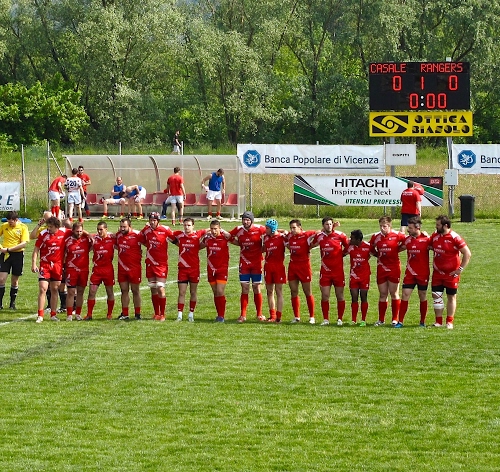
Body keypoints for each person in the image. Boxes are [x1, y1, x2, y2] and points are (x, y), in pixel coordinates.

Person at [429, 215, 471, 329]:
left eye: (438, 225)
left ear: (445, 226)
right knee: (436, 295)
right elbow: (429, 245)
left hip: (451, 274)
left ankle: (449, 322)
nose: (436, 227)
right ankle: (438, 321)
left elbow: (467, 253)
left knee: (451, 296)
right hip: (437, 273)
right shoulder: (435, 235)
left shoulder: (454, 237)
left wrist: (460, 269)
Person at [310, 217, 349, 326]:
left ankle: (340, 319)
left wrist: (342, 254)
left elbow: (348, 246)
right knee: (325, 295)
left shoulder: (340, 235)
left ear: (333, 224)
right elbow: (311, 244)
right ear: (323, 225)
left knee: (340, 295)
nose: (329, 226)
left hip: (338, 271)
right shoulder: (319, 236)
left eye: (330, 224)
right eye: (327, 224)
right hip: (325, 272)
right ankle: (326, 319)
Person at [229, 211, 266, 322]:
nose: (245, 222)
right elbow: (229, 237)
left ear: (252, 221)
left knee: (256, 287)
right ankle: (243, 315)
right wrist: (238, 243)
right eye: (244, 219)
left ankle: (259, 314)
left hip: (257, 263)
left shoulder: (260, 229)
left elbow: (271, 232)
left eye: (248, 220)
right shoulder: (238, 229)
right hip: (244, 263)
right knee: (244, 288)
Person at [394, 216, 431, 328]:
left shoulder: (427, 240)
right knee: (405, 294)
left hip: (423, 273)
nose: (408, 230)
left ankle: (422, 322)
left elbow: (439, 249)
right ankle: (400, 321)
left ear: (417, 227)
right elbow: (397, 249)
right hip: (410, 273)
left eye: (410, 228)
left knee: (422, 295)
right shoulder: (407, 240)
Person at [370, 216, 406, 326]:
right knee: (382, 294)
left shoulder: (397, 235)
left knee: (394, 293)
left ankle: (395, 319)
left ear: (390, 226)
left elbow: (407, 242)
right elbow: (371, 248)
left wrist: (398, 249)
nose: (382, 228)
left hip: (394, 268)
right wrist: (377, 255)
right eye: (380, 226)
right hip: (381, 268)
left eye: (384, 226)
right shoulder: (376, 236)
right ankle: (381, 319)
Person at [32, 216, 69, 322]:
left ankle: (53, 314)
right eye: (48, 226)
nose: (49, 228)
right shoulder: (43, 234)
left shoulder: (64, 232)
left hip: (57, 265)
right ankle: (40, 315)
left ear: (57, 226)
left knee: (54, 289)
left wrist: (88, 235)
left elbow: (77, 230)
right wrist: (34, 264)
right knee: (42, 288)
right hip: (45, 265)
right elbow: (36, 249)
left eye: (51, 227)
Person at [140, 212, 174, 321]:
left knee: (160, 287)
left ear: (158, 221)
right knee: (153, 289)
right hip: (150, 263)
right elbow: (141, 239)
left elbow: (175, 240)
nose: (152, 222)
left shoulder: (165, 230)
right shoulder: (146, 230)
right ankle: (156, 313)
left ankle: (162, 314)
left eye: (154, 220)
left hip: (161, 264)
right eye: (150, 220)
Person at [172, 218, 207, 322]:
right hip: (182, 269)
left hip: (194, 269)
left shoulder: (197, 234)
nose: (187, 227)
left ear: (193, 226)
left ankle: (191, 314)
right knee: (181, 292)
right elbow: (168, 234)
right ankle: (179, 315)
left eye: (189, 225)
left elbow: (209, 230)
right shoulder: (179, 235)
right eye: (185, 225)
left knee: (193, 292)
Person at [285, 219, 317, 324]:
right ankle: (296, 317)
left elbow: (319, 232)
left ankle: (312, 317)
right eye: (291, 228)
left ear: (300, 227)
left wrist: (333, 227)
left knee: (307, 292)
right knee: (293, 291)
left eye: (294, 228)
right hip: (293, 266)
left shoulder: (307, 235)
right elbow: (282, 232)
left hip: (304, 267)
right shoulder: (289, 236)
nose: (292, 230)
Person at [84, 221, 116, 321]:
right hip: (97, 270)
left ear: (106, 229)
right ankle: (89, 314)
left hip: (108, 270)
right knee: (92, 292)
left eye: (101, 229)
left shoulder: (112, 239)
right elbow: (83, 232)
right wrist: (89, 235)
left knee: (110, 292)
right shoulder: (94, 239)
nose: (99, 231)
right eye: (98, 229)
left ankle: (109, 314)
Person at [200, 219, 230, 322]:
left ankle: (222, 316)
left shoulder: (225, 237)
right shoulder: (208, 238)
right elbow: (198, 246)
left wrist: (227, 233)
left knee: (220, 291)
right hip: (211, 269)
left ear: (220, 228)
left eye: (216, 229)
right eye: (212, 229)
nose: (213, 231)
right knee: (216, 292)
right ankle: (219, 314)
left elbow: (236, 240)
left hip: (222, 269)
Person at [115, 217, 144, 320]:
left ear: (130, 226)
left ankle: (137, 314)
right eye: (121, 227)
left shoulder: (137, 235)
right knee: (124, 290)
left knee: (135, 290)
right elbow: (115, 244)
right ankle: (125, 313)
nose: (122, 229)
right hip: (122, 267)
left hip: (134, 268)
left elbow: (147, 243)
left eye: (124, 227)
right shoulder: (118, 235)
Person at [0, 211, 30, 310]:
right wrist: (1, 248)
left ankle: (12, 303)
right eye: (8, 222)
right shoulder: (4, 226)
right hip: (5, 255)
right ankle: (0, 304)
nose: (9, 224)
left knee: (15, 280)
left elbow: (24, 243)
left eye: (11, 222)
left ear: (16, 220)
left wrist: (9, 249)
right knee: (1, 279)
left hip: (18, 255)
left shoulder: (23, 227)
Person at [63, 222, 92, 321]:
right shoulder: (67, 240)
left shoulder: (86, 239)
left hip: (84, 270)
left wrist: (87, 234)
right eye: (77, 231)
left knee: (80, 292)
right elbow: (63, 253)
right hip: (71, 269)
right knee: (71, 292)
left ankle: (78, 313)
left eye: (80, 231)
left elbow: (94, 242)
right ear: (73, 231)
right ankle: (69, 314)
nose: (79, 233)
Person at [344, 229, 371, 326]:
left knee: (364, 297)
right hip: (354, 276)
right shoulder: (350, 247)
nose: (350, 239)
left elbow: (376, 254)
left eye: (352, 238)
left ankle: (363, 320)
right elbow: (341, 254)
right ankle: (353, 320)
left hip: (364, 276)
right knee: (354, 297)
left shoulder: (368, 246)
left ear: (358, 240)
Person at [262, 218, 287, 323]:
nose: (265, 230)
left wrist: (283, 231)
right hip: (268, 267)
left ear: (272, 229)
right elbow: (263, 249)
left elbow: (288, 235)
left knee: (278, 291)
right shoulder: (265, 237)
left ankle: (278, 317)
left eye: (267, 228)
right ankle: (272, 316)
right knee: (269, 291)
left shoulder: (282, 237)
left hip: (278, 267)